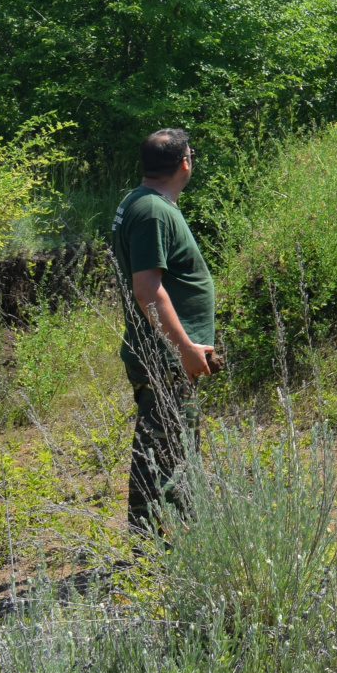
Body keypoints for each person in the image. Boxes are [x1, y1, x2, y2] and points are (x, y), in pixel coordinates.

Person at [109, 129, 219, 536]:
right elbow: (147, 290)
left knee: (173, 450)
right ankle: (156, 547)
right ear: (184, 163)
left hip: (164, 354)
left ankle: (177, 535)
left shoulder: (141, 202)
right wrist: (184, 348)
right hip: (164, 356)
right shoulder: (153, 211)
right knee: (163, 456)